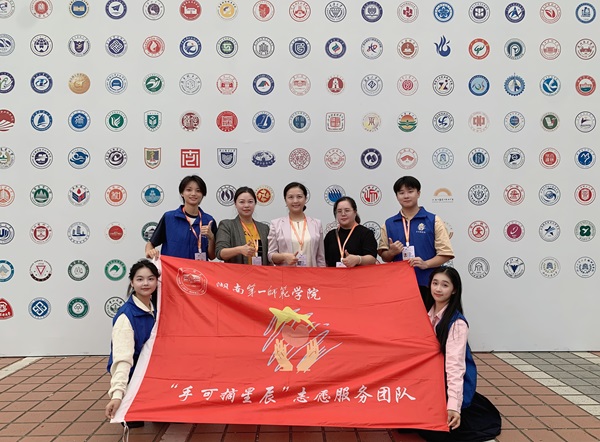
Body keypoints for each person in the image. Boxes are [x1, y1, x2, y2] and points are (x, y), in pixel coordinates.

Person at [419, 267, 501, 442]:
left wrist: (453, 407)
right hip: (432, 379)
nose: (438, 289)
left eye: (445, 285)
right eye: (435, 283)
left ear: (454, 290)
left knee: (440, 432)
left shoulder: (457, 324)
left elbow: (455, 366)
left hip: (447, 379)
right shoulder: (426, 315)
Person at [378, 176, 453, 301]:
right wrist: (391, 252)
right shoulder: (389, 224)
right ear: (397, 196)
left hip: (428, 284)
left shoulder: (433, 220)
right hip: (399, 285)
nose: (406, 196)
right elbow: (384, 257)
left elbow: (446, 254)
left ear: (418, 193)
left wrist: (426, 264)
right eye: (401, 193)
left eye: (410, 191)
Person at [105, 259, 160, 428]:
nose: (146, 283)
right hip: (133, 375)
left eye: (151, 279)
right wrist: (117, 395)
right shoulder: (126, 317)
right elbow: (122, 359)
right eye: (140, 279)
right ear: (132, 282)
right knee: (134, 423)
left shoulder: (157, 308)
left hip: (152, 373)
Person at [145, 175, 217, 261]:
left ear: (203, 194)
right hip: (173, 269)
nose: (193, 194)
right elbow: (150, 244)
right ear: (182, 193)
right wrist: (150, 251)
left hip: (198, 269)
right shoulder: (169, 218)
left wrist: (211, 238)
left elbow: (212, 256)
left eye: (198, 191)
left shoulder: (209, 221)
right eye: (189, 190)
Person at [268, 182, 325, 267]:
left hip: (311, 273)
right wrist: (284, 256)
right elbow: (271, 255)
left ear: (305, 199)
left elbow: (320, 258)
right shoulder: (276, 224)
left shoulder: (316, 224)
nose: (295, 201)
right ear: (285, 200)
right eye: (290, 197)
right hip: (286, 273)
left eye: (299, 197)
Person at [215, 187, 270, 265]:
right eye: (242, 202)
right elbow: (220, 253)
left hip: (260, 271)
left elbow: (270, 256)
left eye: (250, 202)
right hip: (237, 272)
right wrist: (239, 250)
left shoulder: (264, 228)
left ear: (255, 203)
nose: (246, 205)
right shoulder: (227, 225)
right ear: (235, 204)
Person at [323, 196, 378, 267]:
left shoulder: (365, 233)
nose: (343, 214)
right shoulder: (330, 235)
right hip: (334, 274)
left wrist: (358, 259)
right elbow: (324, 260)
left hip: (358, 273)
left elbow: (372, 259)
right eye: (339, 211)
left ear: (355, 212)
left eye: (347, 210)